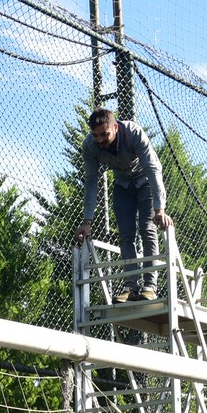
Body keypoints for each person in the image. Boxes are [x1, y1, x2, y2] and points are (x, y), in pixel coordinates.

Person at [73, 108, 170, 302]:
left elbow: (152, 168)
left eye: (104, 134)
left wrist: (160, 209)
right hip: (122, 185)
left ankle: (150, 286)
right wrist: (87, 221)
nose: (100, 140)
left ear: (115, 127)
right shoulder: (90, 146)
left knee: (147, 228)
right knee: (126, 234)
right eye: (96, 135)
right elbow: (91, 181)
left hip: (145, 181)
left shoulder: (133, 133)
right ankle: (130, 286)